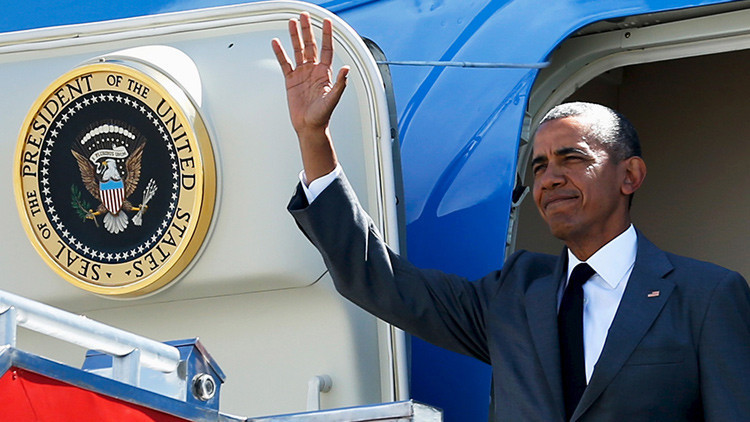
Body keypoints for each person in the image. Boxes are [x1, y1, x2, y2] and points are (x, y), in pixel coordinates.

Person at [272, 13, 750, 421]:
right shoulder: (515, 295)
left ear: (630, 175)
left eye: (573, 159)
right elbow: (378, 280)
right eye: (539, 166)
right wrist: (314, 137)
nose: (549, 178)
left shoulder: (706, 296)